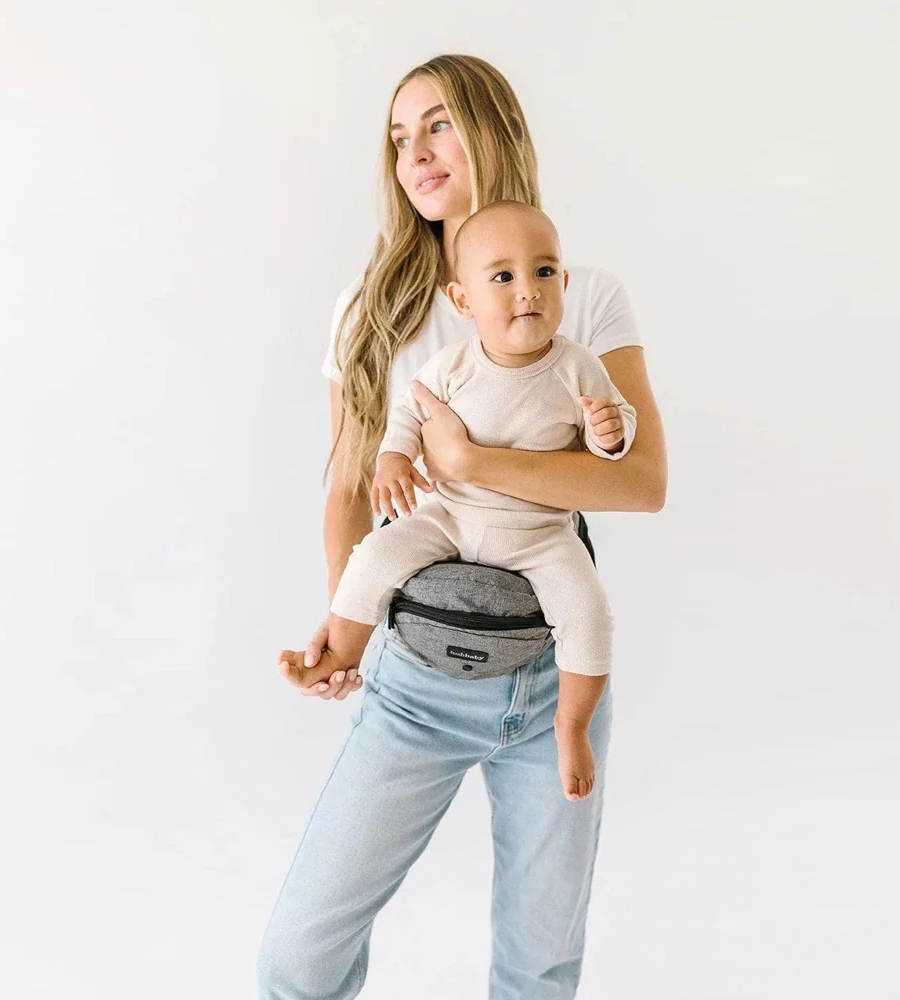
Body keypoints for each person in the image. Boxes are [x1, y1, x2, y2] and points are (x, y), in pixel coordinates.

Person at [258, 53, 667, 1000]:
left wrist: (473, 464)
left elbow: (641, 482)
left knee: (539, 968)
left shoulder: (578, 292)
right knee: (298, 958)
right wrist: (344, 624)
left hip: (551, 686)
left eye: (438, 124)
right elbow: (348, 490)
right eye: (400, 138)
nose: (416, 153)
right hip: (413, 689)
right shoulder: (377, 311)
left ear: (492, 130)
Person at [278, 199, 638, 802]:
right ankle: (341, 654)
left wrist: (610, 432)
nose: (528, 290)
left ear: (565, 285)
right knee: (376, 555)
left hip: (541, 532)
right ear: (464, 301)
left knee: (589, 612)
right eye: (503, 277)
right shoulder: (453, 365)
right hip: (451, 515)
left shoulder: (575, 366)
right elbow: (408, 415)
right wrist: (393, 457)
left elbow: (618, 436)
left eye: (544, 272)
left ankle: (571, 725)